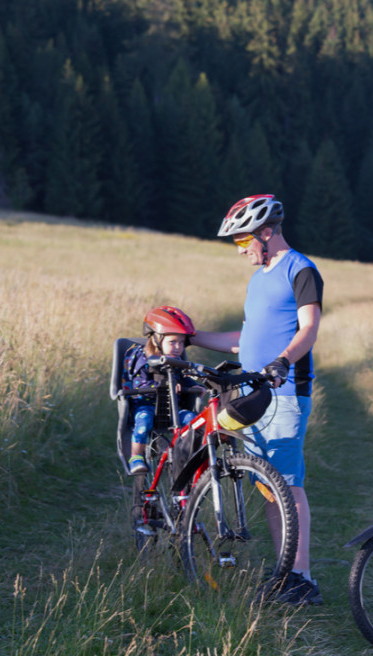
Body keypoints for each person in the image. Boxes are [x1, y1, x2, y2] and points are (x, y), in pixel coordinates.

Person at [191, 194, 324, 606]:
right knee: (270, 485)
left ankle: (300, 578)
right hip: (253, 393)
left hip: (283, 392)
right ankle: (286, 570)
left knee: (286, 483)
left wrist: (283, 361)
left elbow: (309, 328)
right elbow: (242, 341)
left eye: (242, 240)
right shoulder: (258, 277)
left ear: (266, 232)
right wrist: (188, 338)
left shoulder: (300, 270)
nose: (241, 248)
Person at [123, 306, 199, 474]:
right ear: (157, 339)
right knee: (143, 423)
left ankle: (187, 455)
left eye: (181, 342)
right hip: (146, 407)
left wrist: (192, 386)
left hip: (172, 409)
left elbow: (184, 378)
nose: (178, 347)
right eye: (173, 342)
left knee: (194, 420)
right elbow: (139, 385)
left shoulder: (176, 359)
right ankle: (136, 457)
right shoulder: (142, 358)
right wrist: (165, 387)